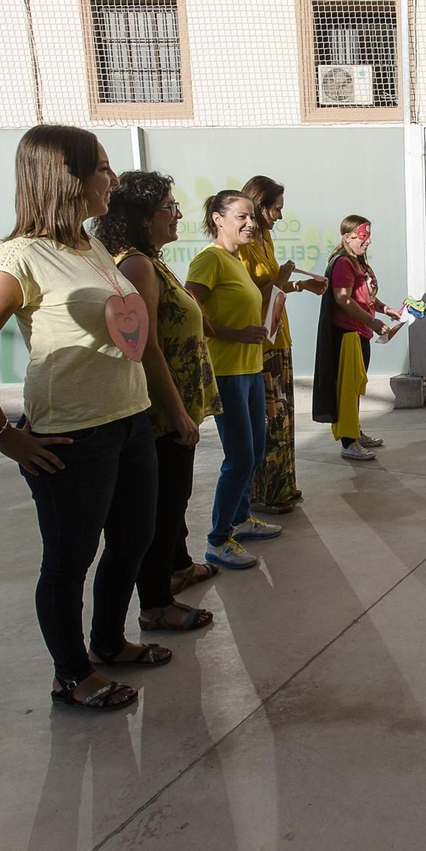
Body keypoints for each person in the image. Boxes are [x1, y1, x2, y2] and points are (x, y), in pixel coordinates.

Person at [0, 125, 169, 714]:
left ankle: (109, 641)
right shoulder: (19, 257)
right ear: (67, 178)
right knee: (68, 562)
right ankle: (71, 673)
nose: (111, 179)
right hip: (71, 437)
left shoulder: (90, 245)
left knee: (133, 539)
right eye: (101, 168)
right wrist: (4, 436)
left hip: (130, 421)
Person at [96, 171, 218, 630]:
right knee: (163, 506)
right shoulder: (137, 266)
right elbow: (145, 347)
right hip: (162, 414)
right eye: (169, 206)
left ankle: (178, 568)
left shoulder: (151, 259)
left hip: (174, 408)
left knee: (173, 499)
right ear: (144, 218)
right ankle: (156, 603)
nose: (178, 214)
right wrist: (177, 412)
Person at [186, 190, 281, 568]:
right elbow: (190, 309)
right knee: (240, 457)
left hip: (250, 368)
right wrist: (231, 333)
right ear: (217, 219)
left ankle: (240, 519)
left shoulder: (236, 260)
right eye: (241, 216)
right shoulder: (209, 260)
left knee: (254, 452)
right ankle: (217, 540)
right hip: (227, 372)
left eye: (253, 217)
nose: (251, 224)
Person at [239, 175, 326, 514]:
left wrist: (301, 284)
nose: (277, 216)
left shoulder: (265, 240)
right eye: (275, 209)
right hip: (260, 344)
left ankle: (282, 484)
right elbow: (249, 297)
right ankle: (265, 492)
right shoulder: (242, 247)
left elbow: (274, 290)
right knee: (269, 420)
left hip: (278, 338)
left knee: (284, 418)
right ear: (258, 206)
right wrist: (279, 281)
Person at [313, 216, 398, 460]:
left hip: (360, 332)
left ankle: (355, 431)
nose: (367, 241)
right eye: (362, 235)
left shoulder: (359, 263)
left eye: (368, 235)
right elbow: (343, 299)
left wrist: (385, 309)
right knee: (347, 390)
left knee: (356, 387)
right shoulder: (343, 263)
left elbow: (365, 296)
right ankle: (348, 443)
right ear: (347, 237)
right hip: (348, 334)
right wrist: (372, 320)